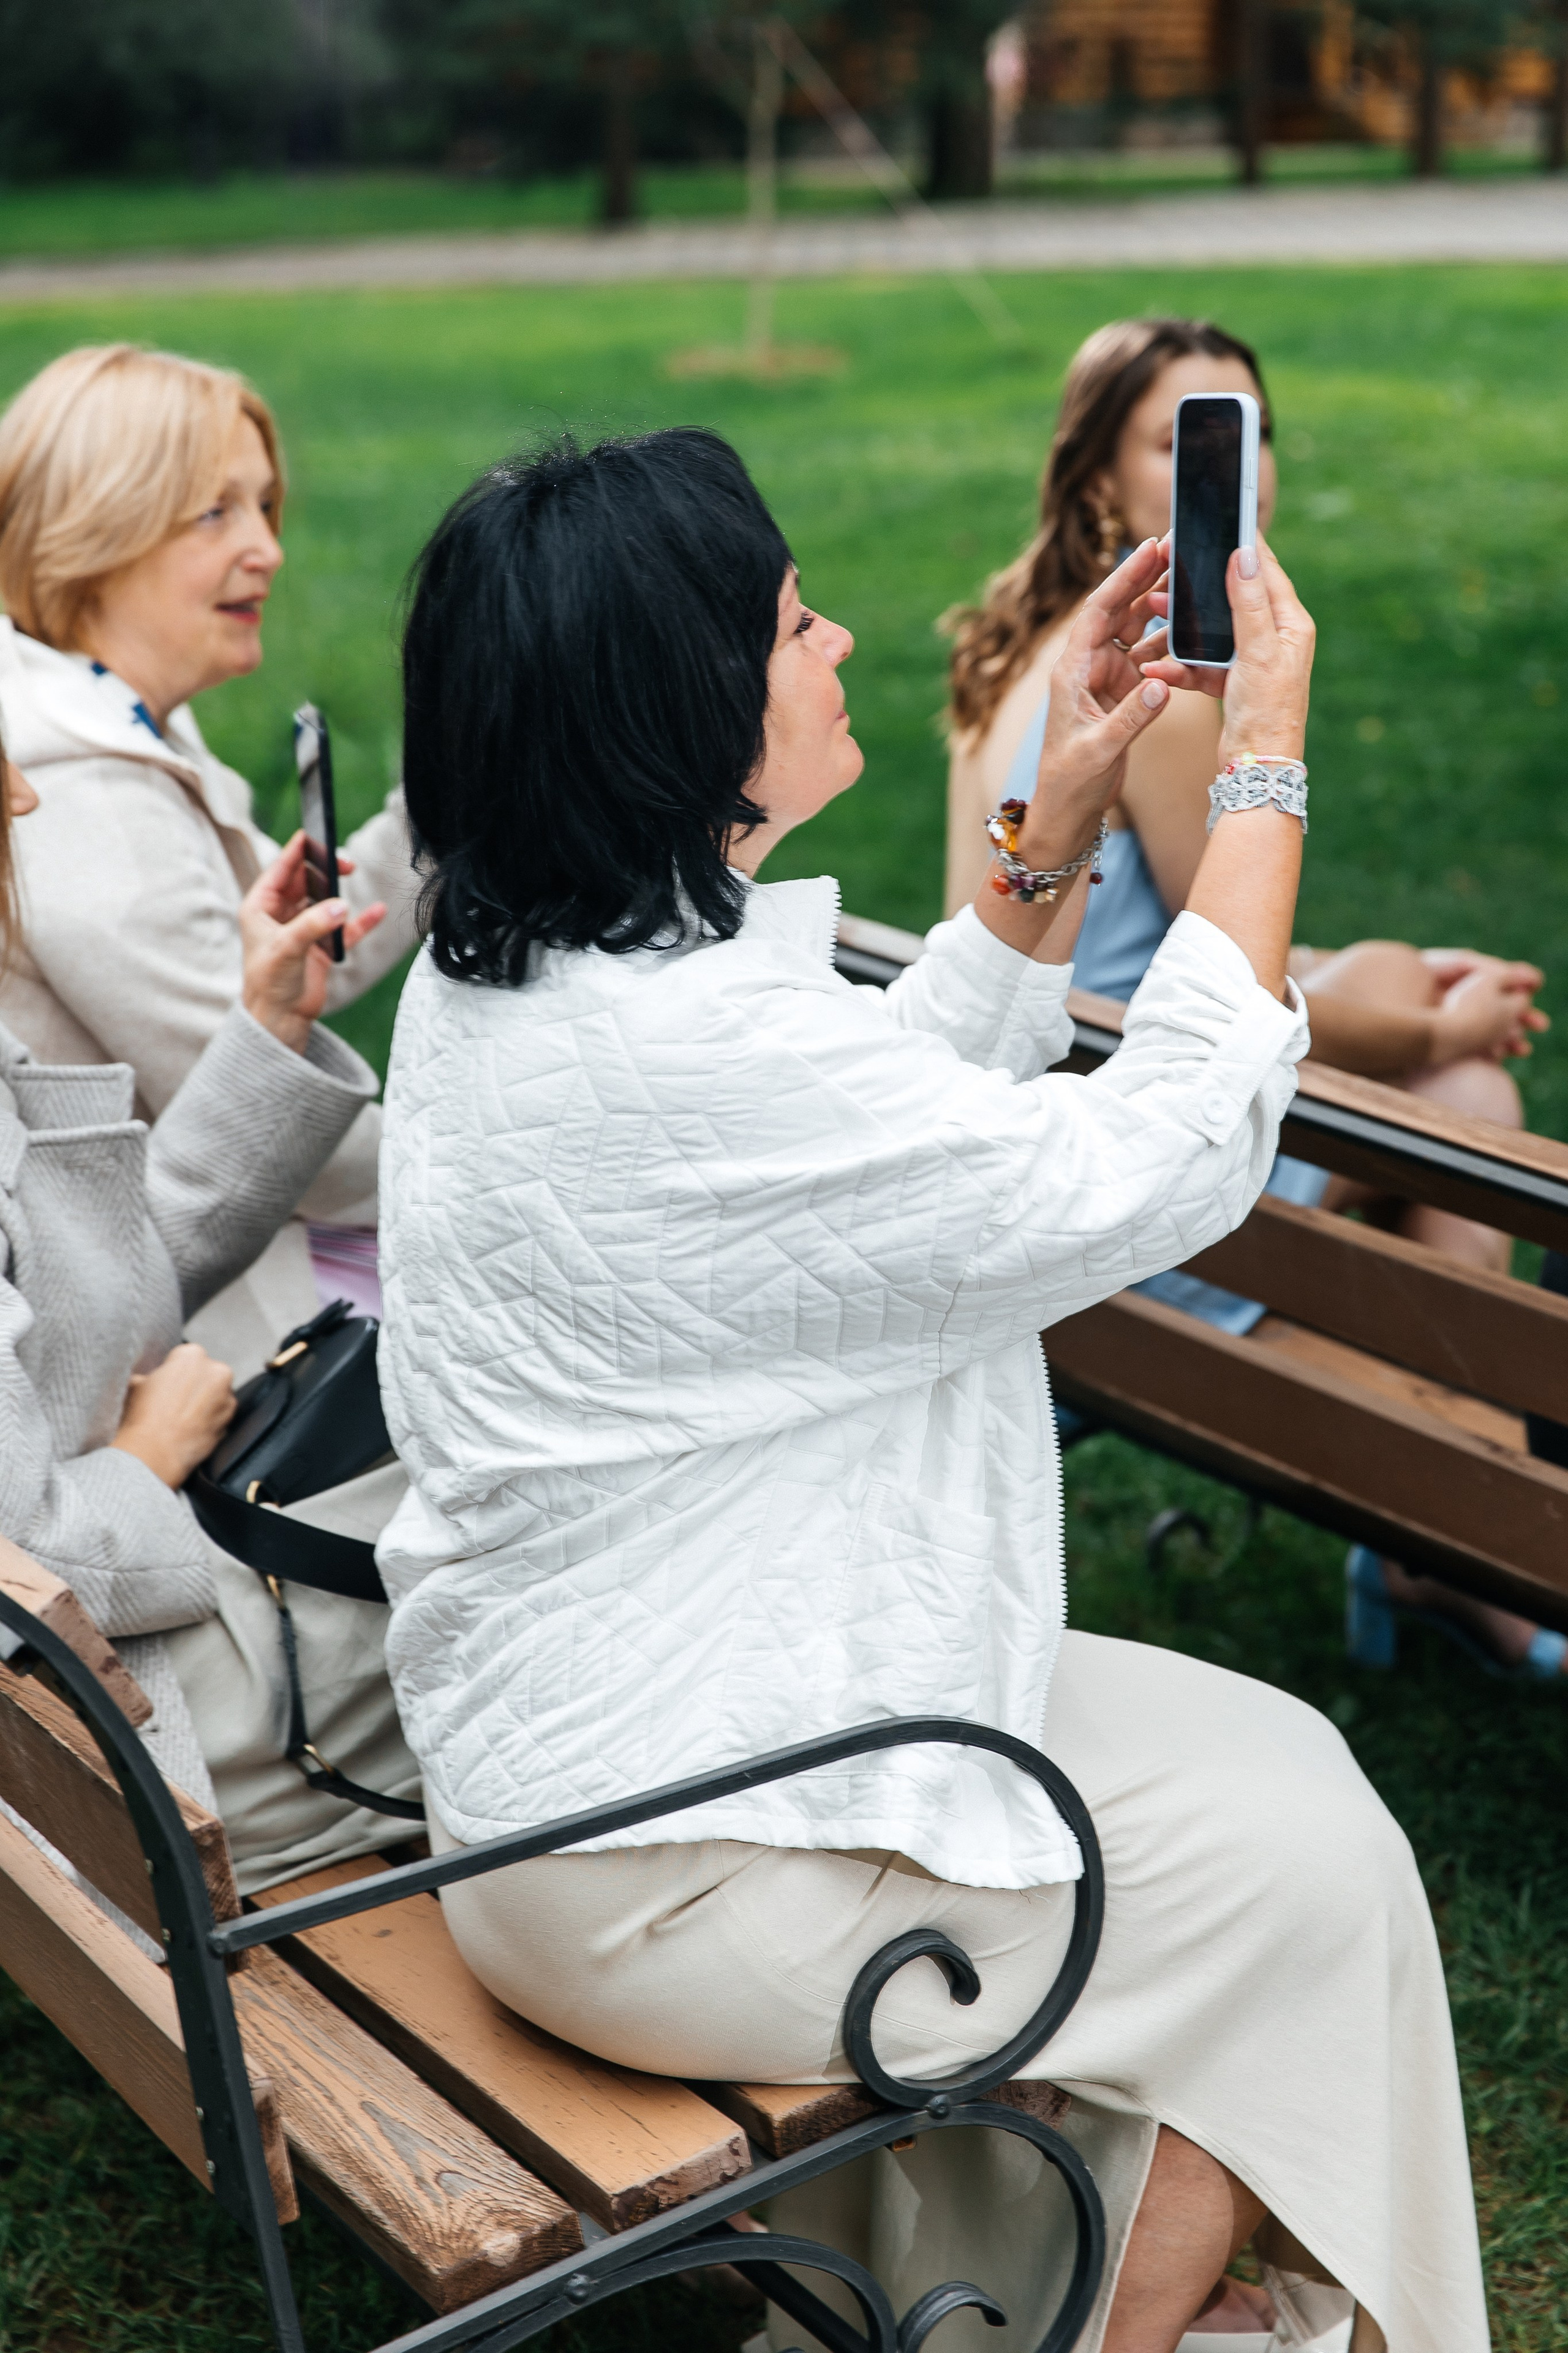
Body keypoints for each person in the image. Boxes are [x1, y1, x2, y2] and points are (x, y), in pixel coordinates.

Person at [372, 428, 1485, 2353]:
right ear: (682, 713)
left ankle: (1012, 2295)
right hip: (673, 1860)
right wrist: (1263, 767)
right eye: (797, 622)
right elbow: (1152, 1159)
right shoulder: (684, 1044)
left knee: (1285, 1777)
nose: (843, 641)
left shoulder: (532, 978)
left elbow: (878, 1139)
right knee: (1295, 1879)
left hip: (589, 1774)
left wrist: (1058, 801)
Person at [946, 315, 1561, 1681]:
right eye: (1190, 442)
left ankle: (1424, 1546)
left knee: (1447, 1068)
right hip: (1130, 1182)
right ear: (1100, 483)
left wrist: (1412, 1008)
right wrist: (1433, 1019)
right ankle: (1442, 1535)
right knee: (1454, 1075)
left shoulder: (1038, 649)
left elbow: (1189, 938)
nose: (1247, 471)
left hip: (1056, 1099)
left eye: (1252, 431)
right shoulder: (1153, 695)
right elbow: (1237, 983)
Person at [0, 742, 421, 1894]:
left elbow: (100, 1294)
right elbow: (13, 1564)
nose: (27, 794)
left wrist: (264, 1034)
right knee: (571, 1543)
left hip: (84, 1713)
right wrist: (145, 1454)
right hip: (136, 1730)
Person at [0, 343, 423, 1382]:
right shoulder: (84, 794)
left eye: (266, 506)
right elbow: (278, 1129)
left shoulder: (112, 716)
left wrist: (448, 824)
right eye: (215, 514)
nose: (268, 548)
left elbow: (272, 969)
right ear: (90, 535)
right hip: (183, 1354)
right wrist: (513, 1171)